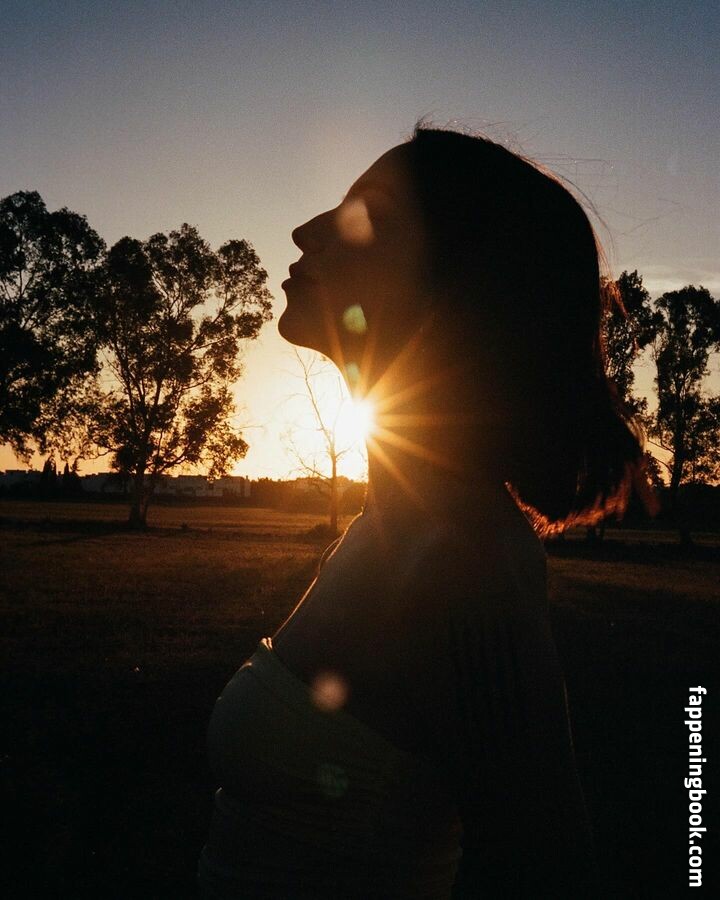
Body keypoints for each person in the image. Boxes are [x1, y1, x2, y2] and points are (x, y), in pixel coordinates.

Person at [198, 122, 659, 898]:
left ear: (462, 288)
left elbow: (548, 865)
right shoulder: (388, 529)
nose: (306, 231)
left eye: (369, 217)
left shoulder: (466, 560)